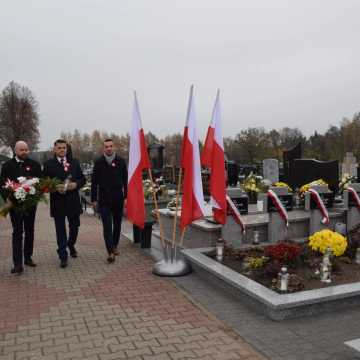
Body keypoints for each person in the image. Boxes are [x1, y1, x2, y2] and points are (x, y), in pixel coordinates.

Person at [0, 141, 42, 274]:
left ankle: (28, 257)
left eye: (26, 149)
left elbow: (40, 183)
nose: (24, 152)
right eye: (22, 150)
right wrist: (8, 198)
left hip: (30, 205)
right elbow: (2, 184)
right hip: (15, 205)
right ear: (15, 150)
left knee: (30, 230)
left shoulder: (34, 165)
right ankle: (17, 263)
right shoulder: (7, 165)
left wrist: (34, 194)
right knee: (17, 232)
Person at [43, 139, 85, 268]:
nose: (62, 150)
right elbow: (44, 183)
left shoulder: (74, 162)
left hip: (73, 202)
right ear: (54, 149)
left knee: (75, 227)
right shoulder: (49, 164)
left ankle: (71, 244)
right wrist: (54, 187)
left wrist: (75, 184)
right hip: (58, 202)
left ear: (67, 149)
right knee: (60, 230)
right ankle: (63, 255)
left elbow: (82, 179)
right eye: (59, 148)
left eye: (64, 148)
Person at [91, 138, 127, 263]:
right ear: (103, 148)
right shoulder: (99, 162)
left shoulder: (121, 161)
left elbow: (125, 181)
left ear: (114, 147)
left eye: (111, 146)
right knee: (107, 226)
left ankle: (115, 245)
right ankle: (110, 251)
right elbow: (94, 182)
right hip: (104, 199)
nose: (109, 148)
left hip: (118, 198)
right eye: (106, 146)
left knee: (117, 224)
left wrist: (126, 196)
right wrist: (94, 199)